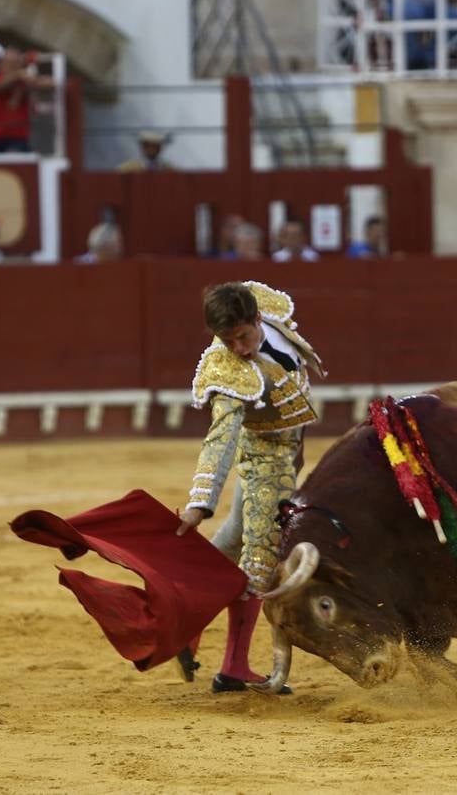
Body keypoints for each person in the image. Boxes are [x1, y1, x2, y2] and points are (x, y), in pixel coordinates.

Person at [175, 281, 325, 693]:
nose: (238, 348)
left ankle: (185, 620)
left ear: (257, 319)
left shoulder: (273, 315)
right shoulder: (227, 369)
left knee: (231, 539)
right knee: (258, 564)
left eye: (242, 336)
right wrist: (198, 504)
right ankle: (233, 668)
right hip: (265, 464)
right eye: (227, 340)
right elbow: (219, 441)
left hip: (287, 453)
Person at [0, 49, 50, 154]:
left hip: (18, 139)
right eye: (9, 63)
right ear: (0, 64)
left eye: (16, 63)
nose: (12, 67)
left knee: (16, 156)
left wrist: (30, 79)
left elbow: (50, 83)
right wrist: (19, 75)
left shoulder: (24, 80)